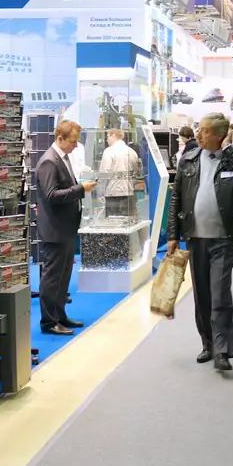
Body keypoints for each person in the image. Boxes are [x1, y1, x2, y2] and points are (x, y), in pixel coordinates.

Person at [169, 112, 233, 372]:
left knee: (219, 294)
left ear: (219, 135)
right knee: (202, 296)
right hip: (196, 239)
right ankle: (207, 343)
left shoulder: (232, 159)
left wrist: (227, 148)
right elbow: (176, 198)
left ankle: (222, 349)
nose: (199, 134)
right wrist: (172, 235)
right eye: (199, 129)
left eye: (205, 131)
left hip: (223, 240)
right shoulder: (188, 159)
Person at [35, 120, 97, 336]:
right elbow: (51, 195)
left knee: (63, 277)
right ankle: (48, 321)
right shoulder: (49, 162)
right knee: (53, 277)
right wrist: (80, 189)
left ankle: (59, 315)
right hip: (55, 230)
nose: (75, 145)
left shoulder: (62, 158)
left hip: (65, 228)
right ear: (59, 138)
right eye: (72, 141)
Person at [98, 129, 142, 218]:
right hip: (129, 193)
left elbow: (104, 173)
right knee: (128, 221)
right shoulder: (132, 152)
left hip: (113, 194)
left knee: (113, 222)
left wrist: (100, 192)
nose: (107, 140)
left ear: (113, 136)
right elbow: (136, 172)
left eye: (108, 137)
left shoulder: (109, 151)